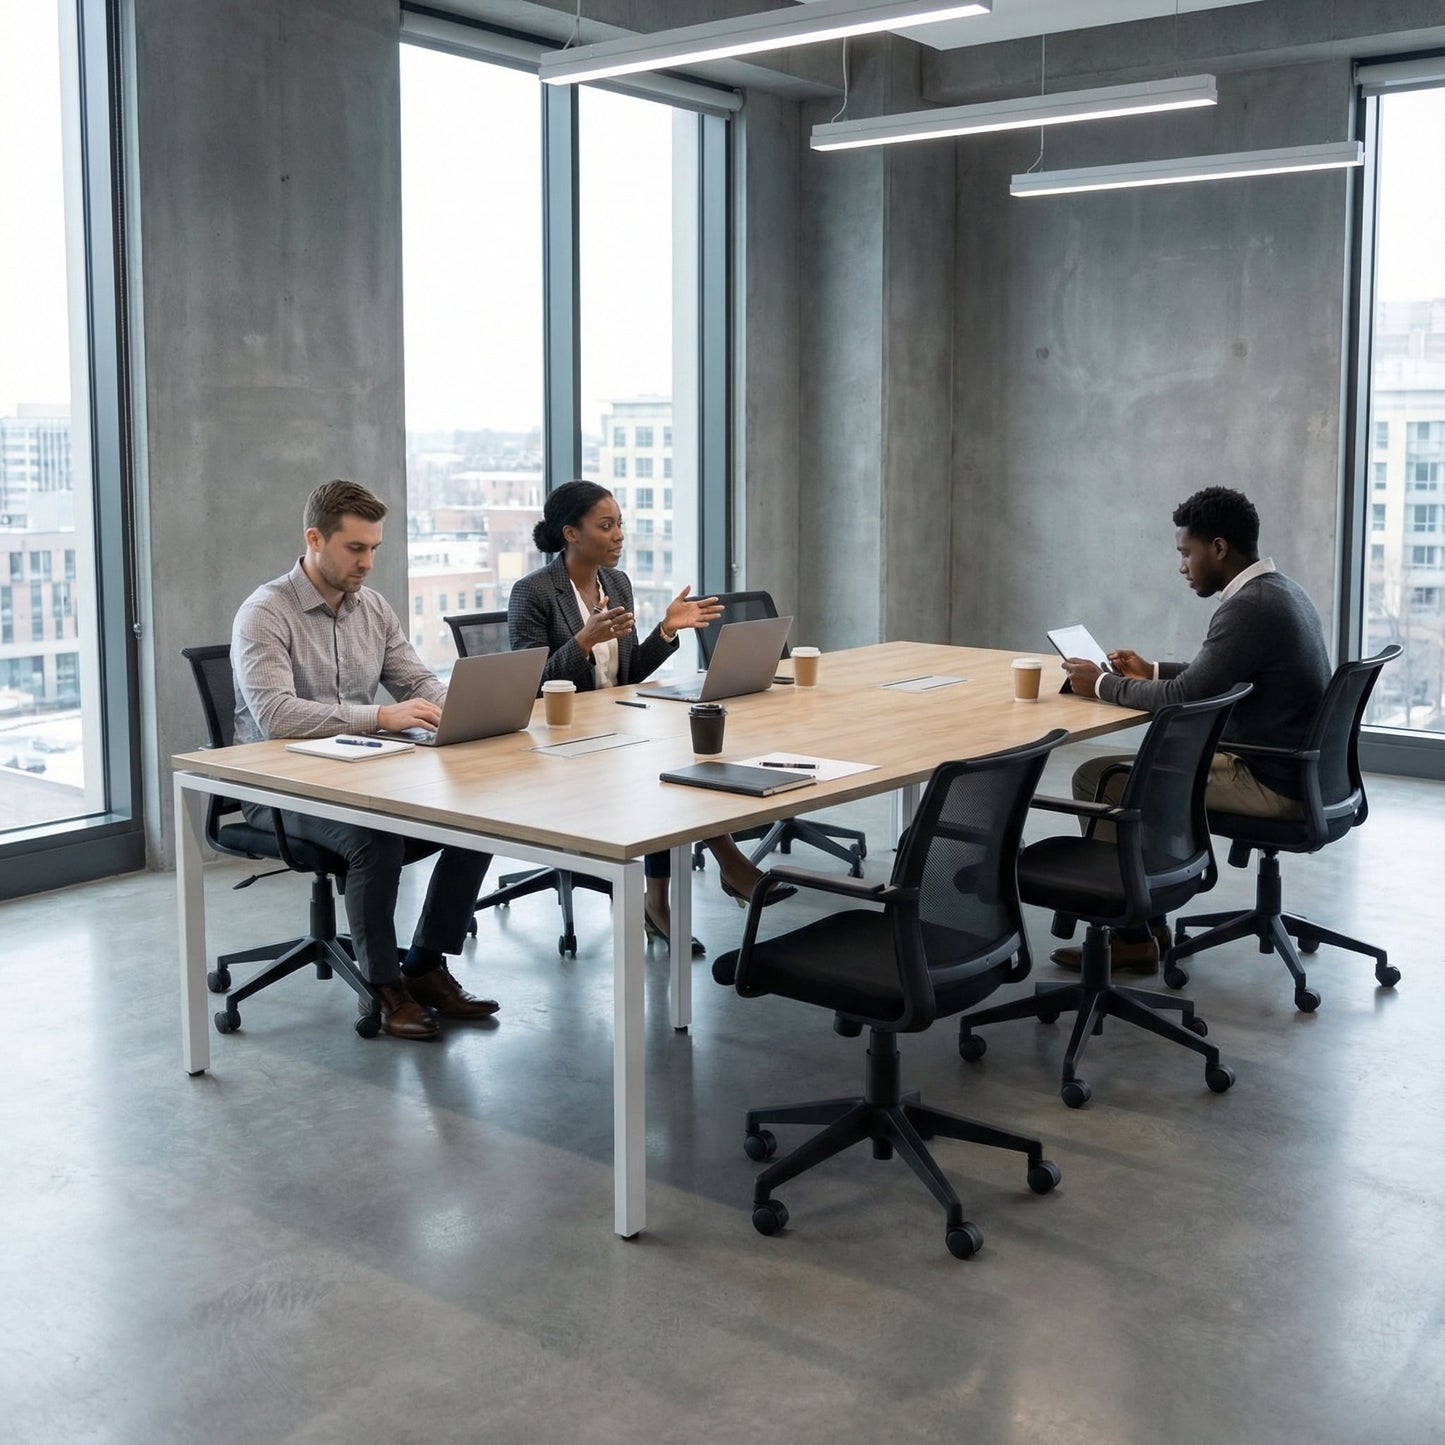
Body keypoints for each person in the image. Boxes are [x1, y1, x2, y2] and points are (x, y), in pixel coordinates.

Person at [232, 479, 499, 1040]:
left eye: (374, 548)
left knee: (477, 818)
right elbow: (277, 716)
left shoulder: (372, 608)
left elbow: (415, 680)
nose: (368, 562)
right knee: (375, 840)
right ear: (314, 539)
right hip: (277, 789)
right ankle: (385, 987)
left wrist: (469, 709)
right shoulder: (264, 613)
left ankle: (424, 964)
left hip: (358, 773)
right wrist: (379, 718)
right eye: (356, 549)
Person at [508, 480, 792, 954]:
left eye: (620, 524)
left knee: (682, 756)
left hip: (614, 724)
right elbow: (528, 686)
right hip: (556, 741)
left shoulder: (616, 583)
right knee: (659, 771)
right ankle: (729, 866)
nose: (619, 535)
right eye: (606, 525)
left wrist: (665, 630)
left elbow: (629, 672)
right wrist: (581, 642)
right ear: (571, 534)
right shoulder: (533, 592)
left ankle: (659, 899)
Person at [1055, 486, 1331, 974]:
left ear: (1219, 548)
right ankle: (1148, 922)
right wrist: (1153, 669)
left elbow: (1184, 699)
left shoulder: (1249, 607)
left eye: (1187, 553)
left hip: (1269, 778)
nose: (1182, 566)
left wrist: (1099, 683)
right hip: (1301, 771)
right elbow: (1214, 675)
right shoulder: (1278, 590)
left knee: (1101, 780)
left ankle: (1131, 934)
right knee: (1134, 774)